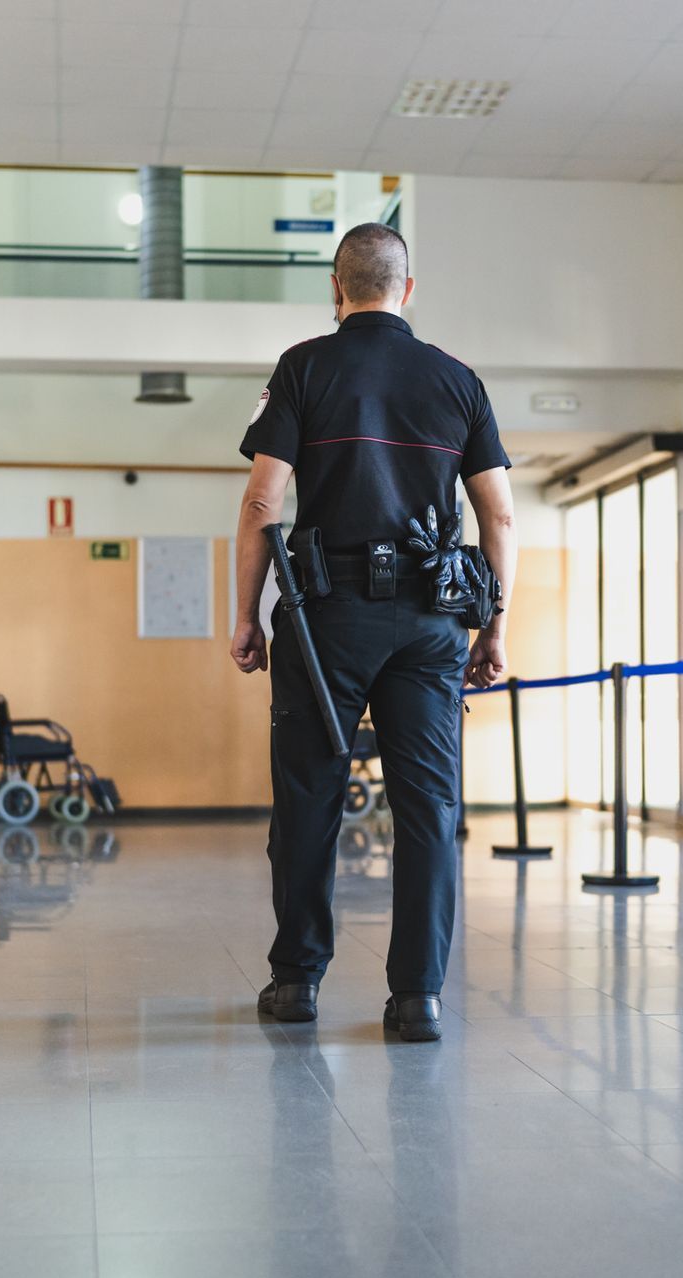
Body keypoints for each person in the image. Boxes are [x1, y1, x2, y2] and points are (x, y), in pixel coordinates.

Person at [228, 222, 515, 1043]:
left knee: (310, 798)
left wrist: (246, 616)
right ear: (408, 290)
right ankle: (417, 997)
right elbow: (496, 512)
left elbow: (261, 503)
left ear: (336, 287)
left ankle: (295, 985)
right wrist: (492, 627)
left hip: (325, 622)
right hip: (431, 623)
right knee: (428, 806)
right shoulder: (458, 381)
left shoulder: (305, 368)